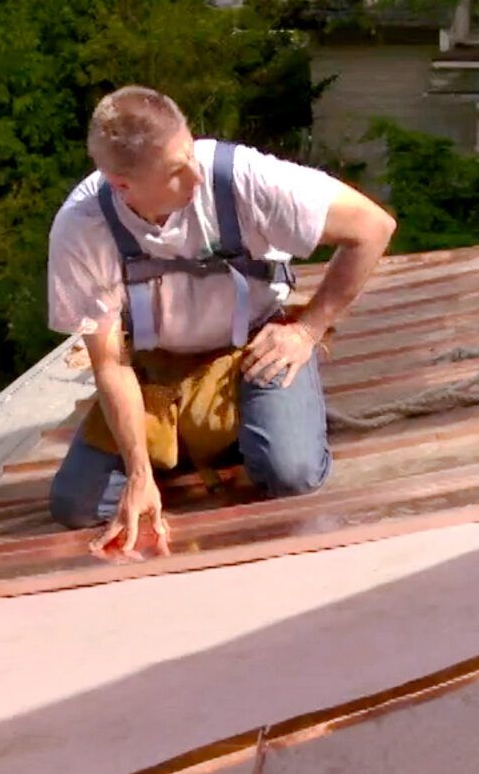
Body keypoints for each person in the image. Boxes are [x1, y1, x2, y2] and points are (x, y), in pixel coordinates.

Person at [45, 86, 397, 554]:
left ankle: (241, 429)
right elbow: (111, 364)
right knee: (76, 506)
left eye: (189, 153)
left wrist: (308, 330)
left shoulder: (241, 179)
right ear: (122, 185)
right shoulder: (82, 227)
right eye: (174, 172)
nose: (194, 175)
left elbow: (373, 228)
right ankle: (198, 443)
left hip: (253, 347)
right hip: (158, 368)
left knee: (290, 473)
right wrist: (138, 475)